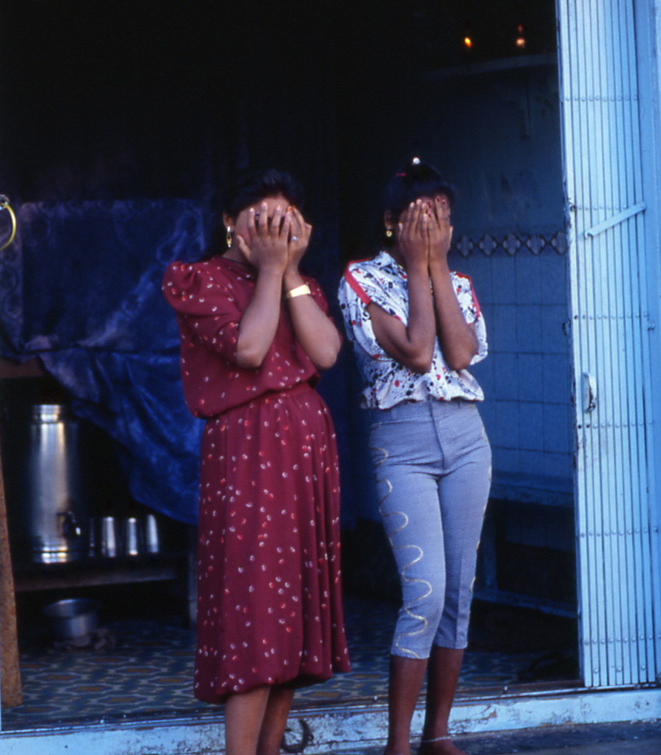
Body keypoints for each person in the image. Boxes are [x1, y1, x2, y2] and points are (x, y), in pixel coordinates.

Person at [162, 169, 350, 755]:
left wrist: (288, 270)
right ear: (228, 222)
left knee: (291, 614)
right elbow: (248, 348)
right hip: (247, 454)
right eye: (262, 219)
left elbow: (324, 352)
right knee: (256, 615)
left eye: (285, 221)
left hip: (303, 454)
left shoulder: (304, 286)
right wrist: (272, 268)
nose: (274, 230)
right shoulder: (200, 281)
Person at [337, 159, 491, 755]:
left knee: (458, 592)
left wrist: (435, 268)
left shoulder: (459, 284)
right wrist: (422, 267)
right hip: (401, 445)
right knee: (425, 591)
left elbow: (459, 351)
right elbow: (418, 353)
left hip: (465, 440)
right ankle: (397, 744)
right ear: (389, 223)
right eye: (419, 220)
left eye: (442, 220)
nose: (432, 230)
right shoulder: (361, 280)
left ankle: (438, 733)